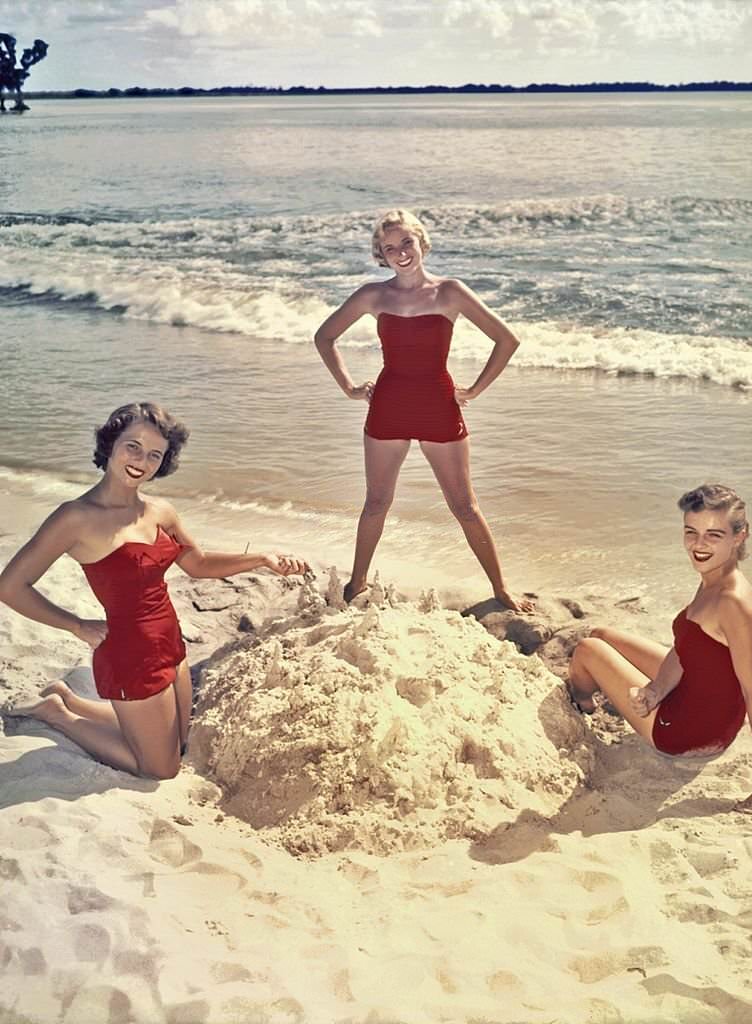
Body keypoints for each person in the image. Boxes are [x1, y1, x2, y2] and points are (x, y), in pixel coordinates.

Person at [0, 402, 308, 779]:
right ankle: (58, 714)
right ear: (111, 443)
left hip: (169, 638)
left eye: (154, 455)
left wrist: (261, 558)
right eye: (133, 446)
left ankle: (70, 698)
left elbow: (199, 564)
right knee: (162, 768)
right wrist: (76, 625)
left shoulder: (161, 511)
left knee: (180, 742)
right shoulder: (75, 517)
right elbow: (11, 586)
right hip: (129, 654)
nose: (141, 461)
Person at [314, 208, 532, 611]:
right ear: (380, 254)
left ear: (421, 242)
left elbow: (507, 339)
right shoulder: (371, 295)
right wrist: (348, 387)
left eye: (406, 243)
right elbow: (325, 337)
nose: (400, 253)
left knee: (464, 505)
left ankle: (501, 589)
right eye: (389, 247)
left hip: (438, 405)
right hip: (389, 406)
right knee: (376, 502)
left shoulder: (450, 291)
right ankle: (357, 583)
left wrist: (476, 390)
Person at [567, 483, 752, 816]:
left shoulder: (732, 601)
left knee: (587, 649)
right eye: (691, 532)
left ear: (739, 536)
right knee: (602, 633)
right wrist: (656, 689)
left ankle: (581, 703)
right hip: (695, 692)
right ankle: (616, 692)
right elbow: (687, 646)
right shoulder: (715, 575)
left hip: (689, 733)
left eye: (714, 535)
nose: (699, 545)